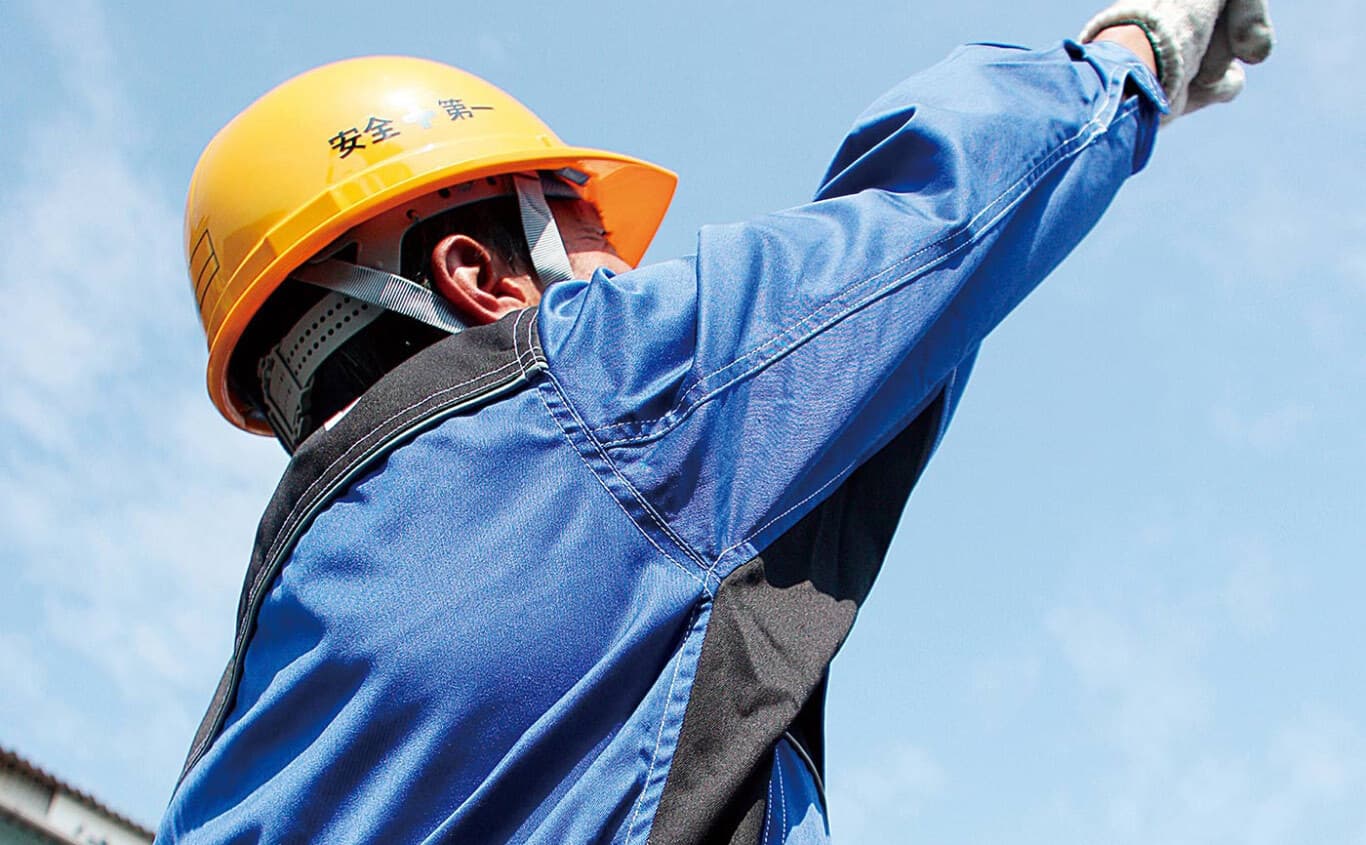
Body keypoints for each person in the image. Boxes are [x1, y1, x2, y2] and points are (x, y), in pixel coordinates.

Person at [160, 1, 1273, 842]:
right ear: (474, 270)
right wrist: (1135, 53)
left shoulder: (242, 734)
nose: (623, 267)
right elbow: (931, 231)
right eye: (586, 227)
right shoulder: (583, 400)